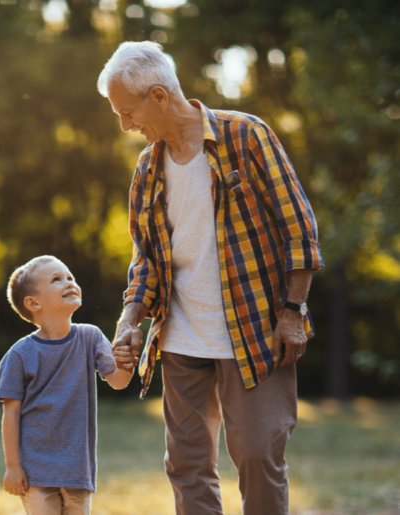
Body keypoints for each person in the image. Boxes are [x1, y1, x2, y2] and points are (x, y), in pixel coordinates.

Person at [96, 42, 324, 515]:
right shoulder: (147, 167)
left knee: (259, 457)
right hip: (181, 338)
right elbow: (146, 257)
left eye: (127, 111)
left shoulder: (246, 136)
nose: (125, 125)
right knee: (186, 464)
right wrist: (130, 318)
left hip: (255, 333)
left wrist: (293, 311)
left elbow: (299, 229)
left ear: (158, 96)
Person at [0, 255, 136, 515]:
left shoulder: (90, 337)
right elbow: (11, 413)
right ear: (33, 302)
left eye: (70, 277)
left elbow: (118, 382)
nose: (69, 282)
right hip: (35, 470)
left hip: (77, 469)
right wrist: (13, 467)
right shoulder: (19, 355)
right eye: (56, 280)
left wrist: (126, 361)